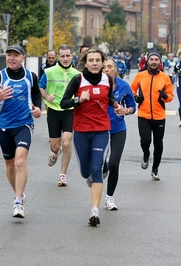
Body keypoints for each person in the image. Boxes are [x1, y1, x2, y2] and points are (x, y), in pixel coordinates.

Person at [60, 48, 121, 226]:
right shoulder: (77, 80)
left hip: (102, 130)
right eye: (91, 60)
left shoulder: (107, 79)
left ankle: (95, 210)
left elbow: (108, 98)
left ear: (102, 63)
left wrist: (115, 104)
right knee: (85, 172)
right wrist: (79, 100)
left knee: (96, 170)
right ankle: (92, 176)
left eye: (97, 60)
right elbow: (63, 103)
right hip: (81, 130)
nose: (94, 63)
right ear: (85, 63)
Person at [0, 44, 42, 219]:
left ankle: (17, 202)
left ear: (23, 57)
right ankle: (20, 194)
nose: (12, 58)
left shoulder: (31, 76)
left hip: (24, 125)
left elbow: (36, 93)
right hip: (5, 127)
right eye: (9, 55)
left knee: (20, 162)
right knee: (10, 165)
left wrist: (37, 108)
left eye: (16, 55)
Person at [39, 44, 80, 187]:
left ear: (72, 56)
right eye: (62, 56)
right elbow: (41, 86)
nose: (65, 58)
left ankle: (63, 175)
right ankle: (56, 153)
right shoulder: (49, 72)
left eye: (68, 55)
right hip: (54, 111)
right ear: (58, 57)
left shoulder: (77, 74)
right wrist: (46, 96)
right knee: (55, 146)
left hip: (69, 111)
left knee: (67, 142)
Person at [131, 50, 174, 181]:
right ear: (147, 61)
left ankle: (155, 169)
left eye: (156, 60)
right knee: (145, 141)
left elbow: (171, 96)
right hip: (143, 114)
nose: (154, 62)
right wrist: (135, 98)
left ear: (160, 62)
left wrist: (165, 96)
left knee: (158, 144)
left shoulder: (165, 77)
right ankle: (145, 154)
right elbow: (131, 89)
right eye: (151, 59)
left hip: (159, 116)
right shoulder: (140, 76)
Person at [102, 58, 136, 210]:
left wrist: (125, 111)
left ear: (116, 69)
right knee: (101, 166)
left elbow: (132, 106)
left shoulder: (124, 86)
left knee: (114, 163)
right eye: (104, 67)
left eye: (110, 67)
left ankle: (109, 198)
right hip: (100, 128)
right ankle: (101, 168)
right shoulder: (96, 86)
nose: (107, 69)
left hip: (118, 128)